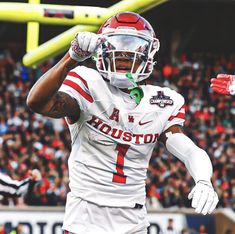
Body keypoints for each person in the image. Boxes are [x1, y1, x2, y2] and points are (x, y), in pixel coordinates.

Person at [26, 12, 219, 234]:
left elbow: (188, 150)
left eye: (132, 48)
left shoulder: (163, 101)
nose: (124, 54)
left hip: (133, 222)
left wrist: (203, 179)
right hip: (84, 220)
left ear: (149, 53)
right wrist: (71, 58)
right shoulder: (88, 82)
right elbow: (37, 102)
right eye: (118, 47)